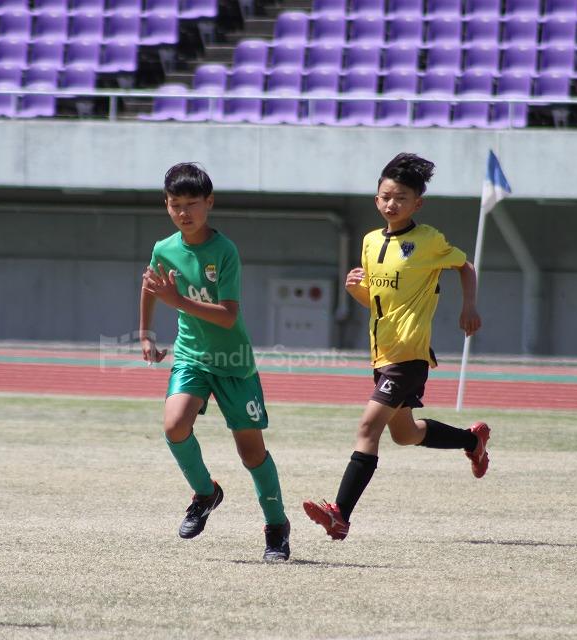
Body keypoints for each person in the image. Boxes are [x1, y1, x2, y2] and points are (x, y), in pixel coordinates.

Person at [303, 152, 490, 541]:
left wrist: (468, 305)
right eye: (386, 196)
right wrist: (356, 290)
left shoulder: (428, 241)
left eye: (401, 197)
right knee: (404, 434)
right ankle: (472, 440)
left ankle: (340, 514)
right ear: (376, 199)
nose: (392, 203)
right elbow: (378, 301)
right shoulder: (370, 242)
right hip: (382, 355)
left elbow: (465, 266)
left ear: (417, 203)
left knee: (368, 426)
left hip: (409, 356)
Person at [139, 162, 291, 563]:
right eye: (175, 204)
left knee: (251, 453)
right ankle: (206, 493)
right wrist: (146, 333)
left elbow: (227, 315)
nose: (184, 212)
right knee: (174, 425)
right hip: (191, 355)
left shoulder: (224, 251)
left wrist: (179, 302)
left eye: (192, 204)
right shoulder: (163, 249)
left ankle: (276, 527)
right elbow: (150, 286)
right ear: (166, 205)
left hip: (234, 361)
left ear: (209, 203)